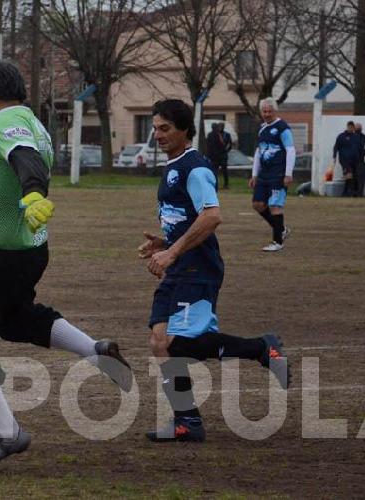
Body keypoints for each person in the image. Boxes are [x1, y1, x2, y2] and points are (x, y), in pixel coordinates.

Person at [0, 61, 134, 467]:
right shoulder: (30, 119)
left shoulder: (4, 121)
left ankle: (7, 432)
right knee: (12, 318)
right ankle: (93, 350)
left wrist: (31, 194)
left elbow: (25, 159)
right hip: (26, 249)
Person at [138, 99, 291, 442]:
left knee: (176, 345)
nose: (157, 134)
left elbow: (212, 215)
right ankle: (186, 422)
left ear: (185, 130)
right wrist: (165, 243)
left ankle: (261, 349)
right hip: (181, 265)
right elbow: (190, 219)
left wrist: (173, 251)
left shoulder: (196, 168)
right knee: (160, 343)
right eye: (155, 128)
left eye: (165, 128)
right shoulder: (173, 165)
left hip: (197, 269)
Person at [250, 98, 294, 251]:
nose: (267, 114)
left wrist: (288, 173)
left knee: (275, 205)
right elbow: (258, 151)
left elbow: (290, 150)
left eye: (270, 111)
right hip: (264, 174)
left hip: (278, 173)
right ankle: (281, 228)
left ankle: (277, 242)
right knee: (257, 204)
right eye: (264, 111)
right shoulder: (262, 128)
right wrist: (254, 174)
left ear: (275, 111)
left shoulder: (283, 128)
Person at [332, 121, 365, 197]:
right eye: (349, 127)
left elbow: (360, 148)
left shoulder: (356, 137)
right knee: (349, 174)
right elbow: (336, 147)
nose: (350, 128)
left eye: (351, 127)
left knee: (351, 177)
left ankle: (346, 193)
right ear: (347, 127)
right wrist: (334, 156)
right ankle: (348, 192)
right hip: (344, 160)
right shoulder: (341, 136)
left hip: (354, 161)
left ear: (353, 128)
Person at [205, 122, 233, 189]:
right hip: (215, 156)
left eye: (221, 126)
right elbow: (209, 145)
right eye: (219, 126)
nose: (220, 128)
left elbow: (229, 144)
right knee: (215, 170)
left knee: (224, 171)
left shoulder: (226, 134)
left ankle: (226, 185)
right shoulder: (212, 134)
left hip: (223, 155)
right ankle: (215, 184)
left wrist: (226, 150)